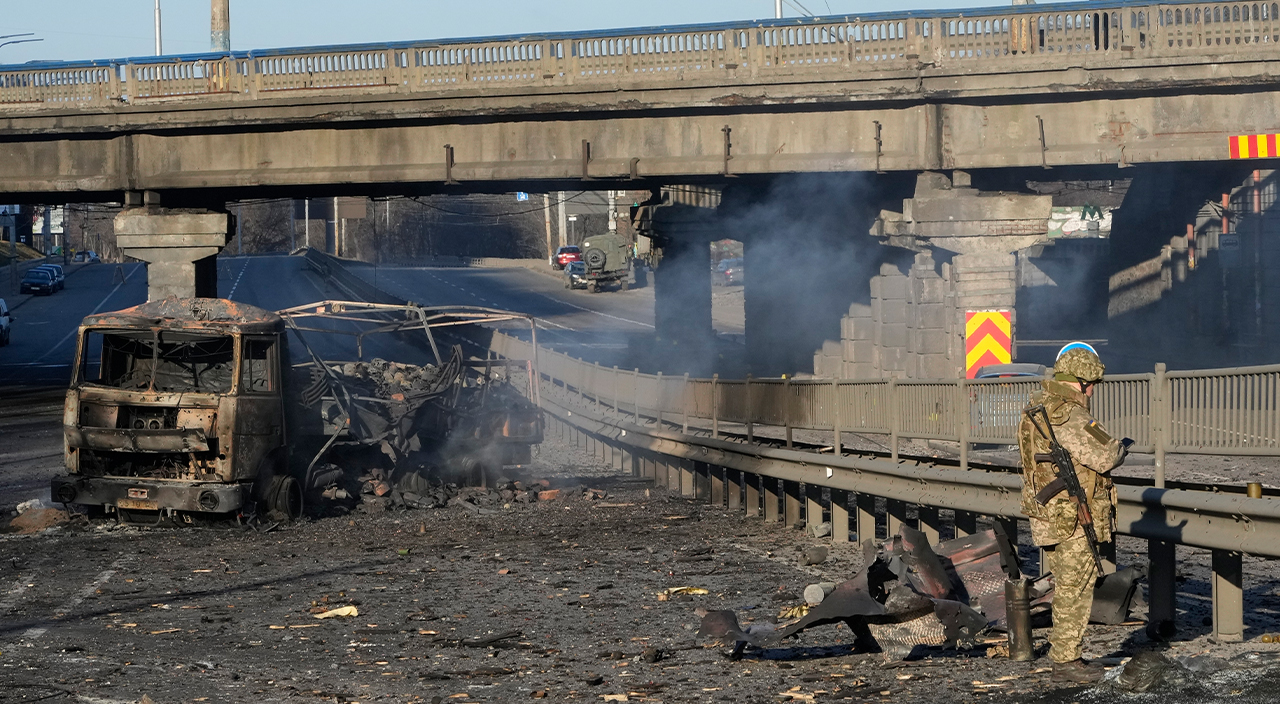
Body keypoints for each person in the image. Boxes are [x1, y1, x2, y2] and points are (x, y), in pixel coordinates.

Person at [1017, 343, 1126, 684]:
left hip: (1049, 511)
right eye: (1090, 383)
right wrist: (1121, 446)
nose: (1092, 390)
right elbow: (1106, 455)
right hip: (1072, 517)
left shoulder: (1036, 406)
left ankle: (1065, 654)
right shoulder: (1070, 415)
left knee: (1067, 583)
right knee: (1075, 587)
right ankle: (1066, 660)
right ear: (1078, 381)